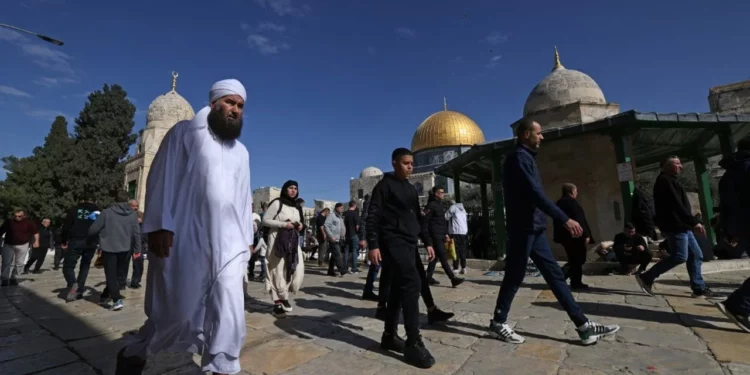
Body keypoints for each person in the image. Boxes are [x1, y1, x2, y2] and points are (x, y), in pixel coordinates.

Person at [115, 79, 253, 375]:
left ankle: (222, 367)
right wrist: (159, 225)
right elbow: (161, 177)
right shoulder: (183, 134)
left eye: (240, 106)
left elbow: (243, 199)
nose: (235, 110)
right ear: (215, 103)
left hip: (229, 241)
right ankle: (135, 351)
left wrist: (247, 240)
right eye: (230, 103)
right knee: (177, 312)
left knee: (230, 313)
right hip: (186, 235)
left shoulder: (241, 152)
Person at [488, 119, 619, 345]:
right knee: (515, 275)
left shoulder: (527, 159)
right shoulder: (519, 159)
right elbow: (535, 194)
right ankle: (499, 322)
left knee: (555, 276)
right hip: (524, 228)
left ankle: (583, 326)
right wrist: (564, 219)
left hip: (535, 228)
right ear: (526, 134)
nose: (542, 137)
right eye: (538, 133)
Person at [367, 147, 437, 369]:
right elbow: (373, 217)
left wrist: (427, 241)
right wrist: (373, 245)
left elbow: (417, 217)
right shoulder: (384, 186)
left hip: (408, 242)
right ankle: (413, 341)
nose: (410, 167)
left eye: (412, 163)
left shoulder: (409, 189)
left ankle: (389, 335)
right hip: (391, 241)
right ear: (395, 163)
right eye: (406, 163)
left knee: (398, 287)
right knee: (411, 283)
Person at [635, 155, 713, 298]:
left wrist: (690, 222)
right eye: (677, 164)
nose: (681, 166)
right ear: (667, 166)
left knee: (696, 254)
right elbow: (677, 206)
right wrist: (693, 221)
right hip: (675, 226)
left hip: (683, 226)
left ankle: (698, 287)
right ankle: (647, 277)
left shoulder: (671, 181)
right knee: (680, 256)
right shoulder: (665, 181)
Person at [715, 137, 750, 332]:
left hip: (740, 227)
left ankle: (739, 303)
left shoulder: (729, 174)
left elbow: (725, 207)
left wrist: (729, 231)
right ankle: (738, 304)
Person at [88, 190, 141, 310]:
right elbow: (136, 233)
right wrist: (137, 249)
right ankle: (104, 295)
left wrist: (98, 236)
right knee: (116, 275)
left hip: (109, 248)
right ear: (127, 200)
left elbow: (93, 230)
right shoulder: (133, 214)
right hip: (126, 249)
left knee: (111, 275)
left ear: (115, 199)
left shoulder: (106, 213)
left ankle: (117, 300)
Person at [263, 180, 306, 317]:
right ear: (285, 189)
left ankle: (283, 297)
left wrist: (301, 226)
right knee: (277, 270)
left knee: (295, 269)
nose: (293, 190)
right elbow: (265, 221)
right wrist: (283, 224)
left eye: (295, 188)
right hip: (277, 240)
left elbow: (302, 223)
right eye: (290, 188)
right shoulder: (277, 203)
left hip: (292, 241)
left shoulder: (297, 206)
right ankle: (279, 302)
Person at [553, 183, 594, 290]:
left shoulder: (559, 203)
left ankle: (565, 279)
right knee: (578, 259)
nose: (577, 193)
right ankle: (565, 278)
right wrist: (586, 235)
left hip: (565, 237)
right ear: (571, 191)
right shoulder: (572, 202)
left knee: (574, 259)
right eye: (576, 191)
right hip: (576, 236)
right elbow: (580, 220)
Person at [60, 196, 100, 301]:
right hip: (91, 242)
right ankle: (79, 290)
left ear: (83, 201)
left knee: (68, 265)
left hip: (76, 240)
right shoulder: (98, 212)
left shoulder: (74, 210)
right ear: (95, 201)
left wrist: (64, 240)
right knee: (85, 266)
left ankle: (73, 284)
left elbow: (66, 227)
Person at [423, 186, 464, 287]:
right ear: (436, 194)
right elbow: (425, 223)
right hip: (435, 236)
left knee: (435, 257)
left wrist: (446, 234)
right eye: (441, 192)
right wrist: (428, 240)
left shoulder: (439, 205)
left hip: (441, 235)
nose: (443, 194)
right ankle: (453, 278)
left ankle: (428, 277)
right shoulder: (431, 206)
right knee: (443, 256)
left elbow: (441, 222)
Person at [0, 209, 39, 286]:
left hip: (23, 245)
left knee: (20, 263)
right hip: (9, 244)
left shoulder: (29, 223)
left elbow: (36, 232)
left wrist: (36, 241)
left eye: (19, 216)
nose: (17, 217)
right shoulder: (9, 222)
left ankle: (13, 277)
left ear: (24, 216)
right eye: (15, 216)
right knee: (6, 262)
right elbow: (0, 232)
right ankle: (4, 278)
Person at [445, 199, 469, 274]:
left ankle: (455, 268)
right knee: (462, 250)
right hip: (464, 232)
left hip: (456, 231)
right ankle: (464, 267)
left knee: (455, 250)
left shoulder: (452, 208)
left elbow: (446, 217)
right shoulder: (463, 209)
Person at [325, 203, 347, 277]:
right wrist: (331, 236)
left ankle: (330, 271)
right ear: (336, 208)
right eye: (340, 208)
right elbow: (326, 226)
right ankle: (342, 271)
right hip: (333, 239)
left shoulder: (340, 217)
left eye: (342, 208)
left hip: (339, 239)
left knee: (334, 256)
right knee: (337, 255)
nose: (342, 209)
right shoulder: (331, 216)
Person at [343, 200, 361, 274]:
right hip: (353, 234)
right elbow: (357, 226)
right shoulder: (355, 214)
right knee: (354, 251)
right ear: (354, 205)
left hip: (346, 234)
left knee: (346, 251)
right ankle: (354, 268)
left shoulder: (345, 213)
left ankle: (345, 268)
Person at [130, 212, 146, 289]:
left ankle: (135, 281)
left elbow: (146, 237)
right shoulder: (130, 225)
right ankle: (121, 281)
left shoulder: (143, 226)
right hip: (129, 245)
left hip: (140, 246)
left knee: (138, 264)